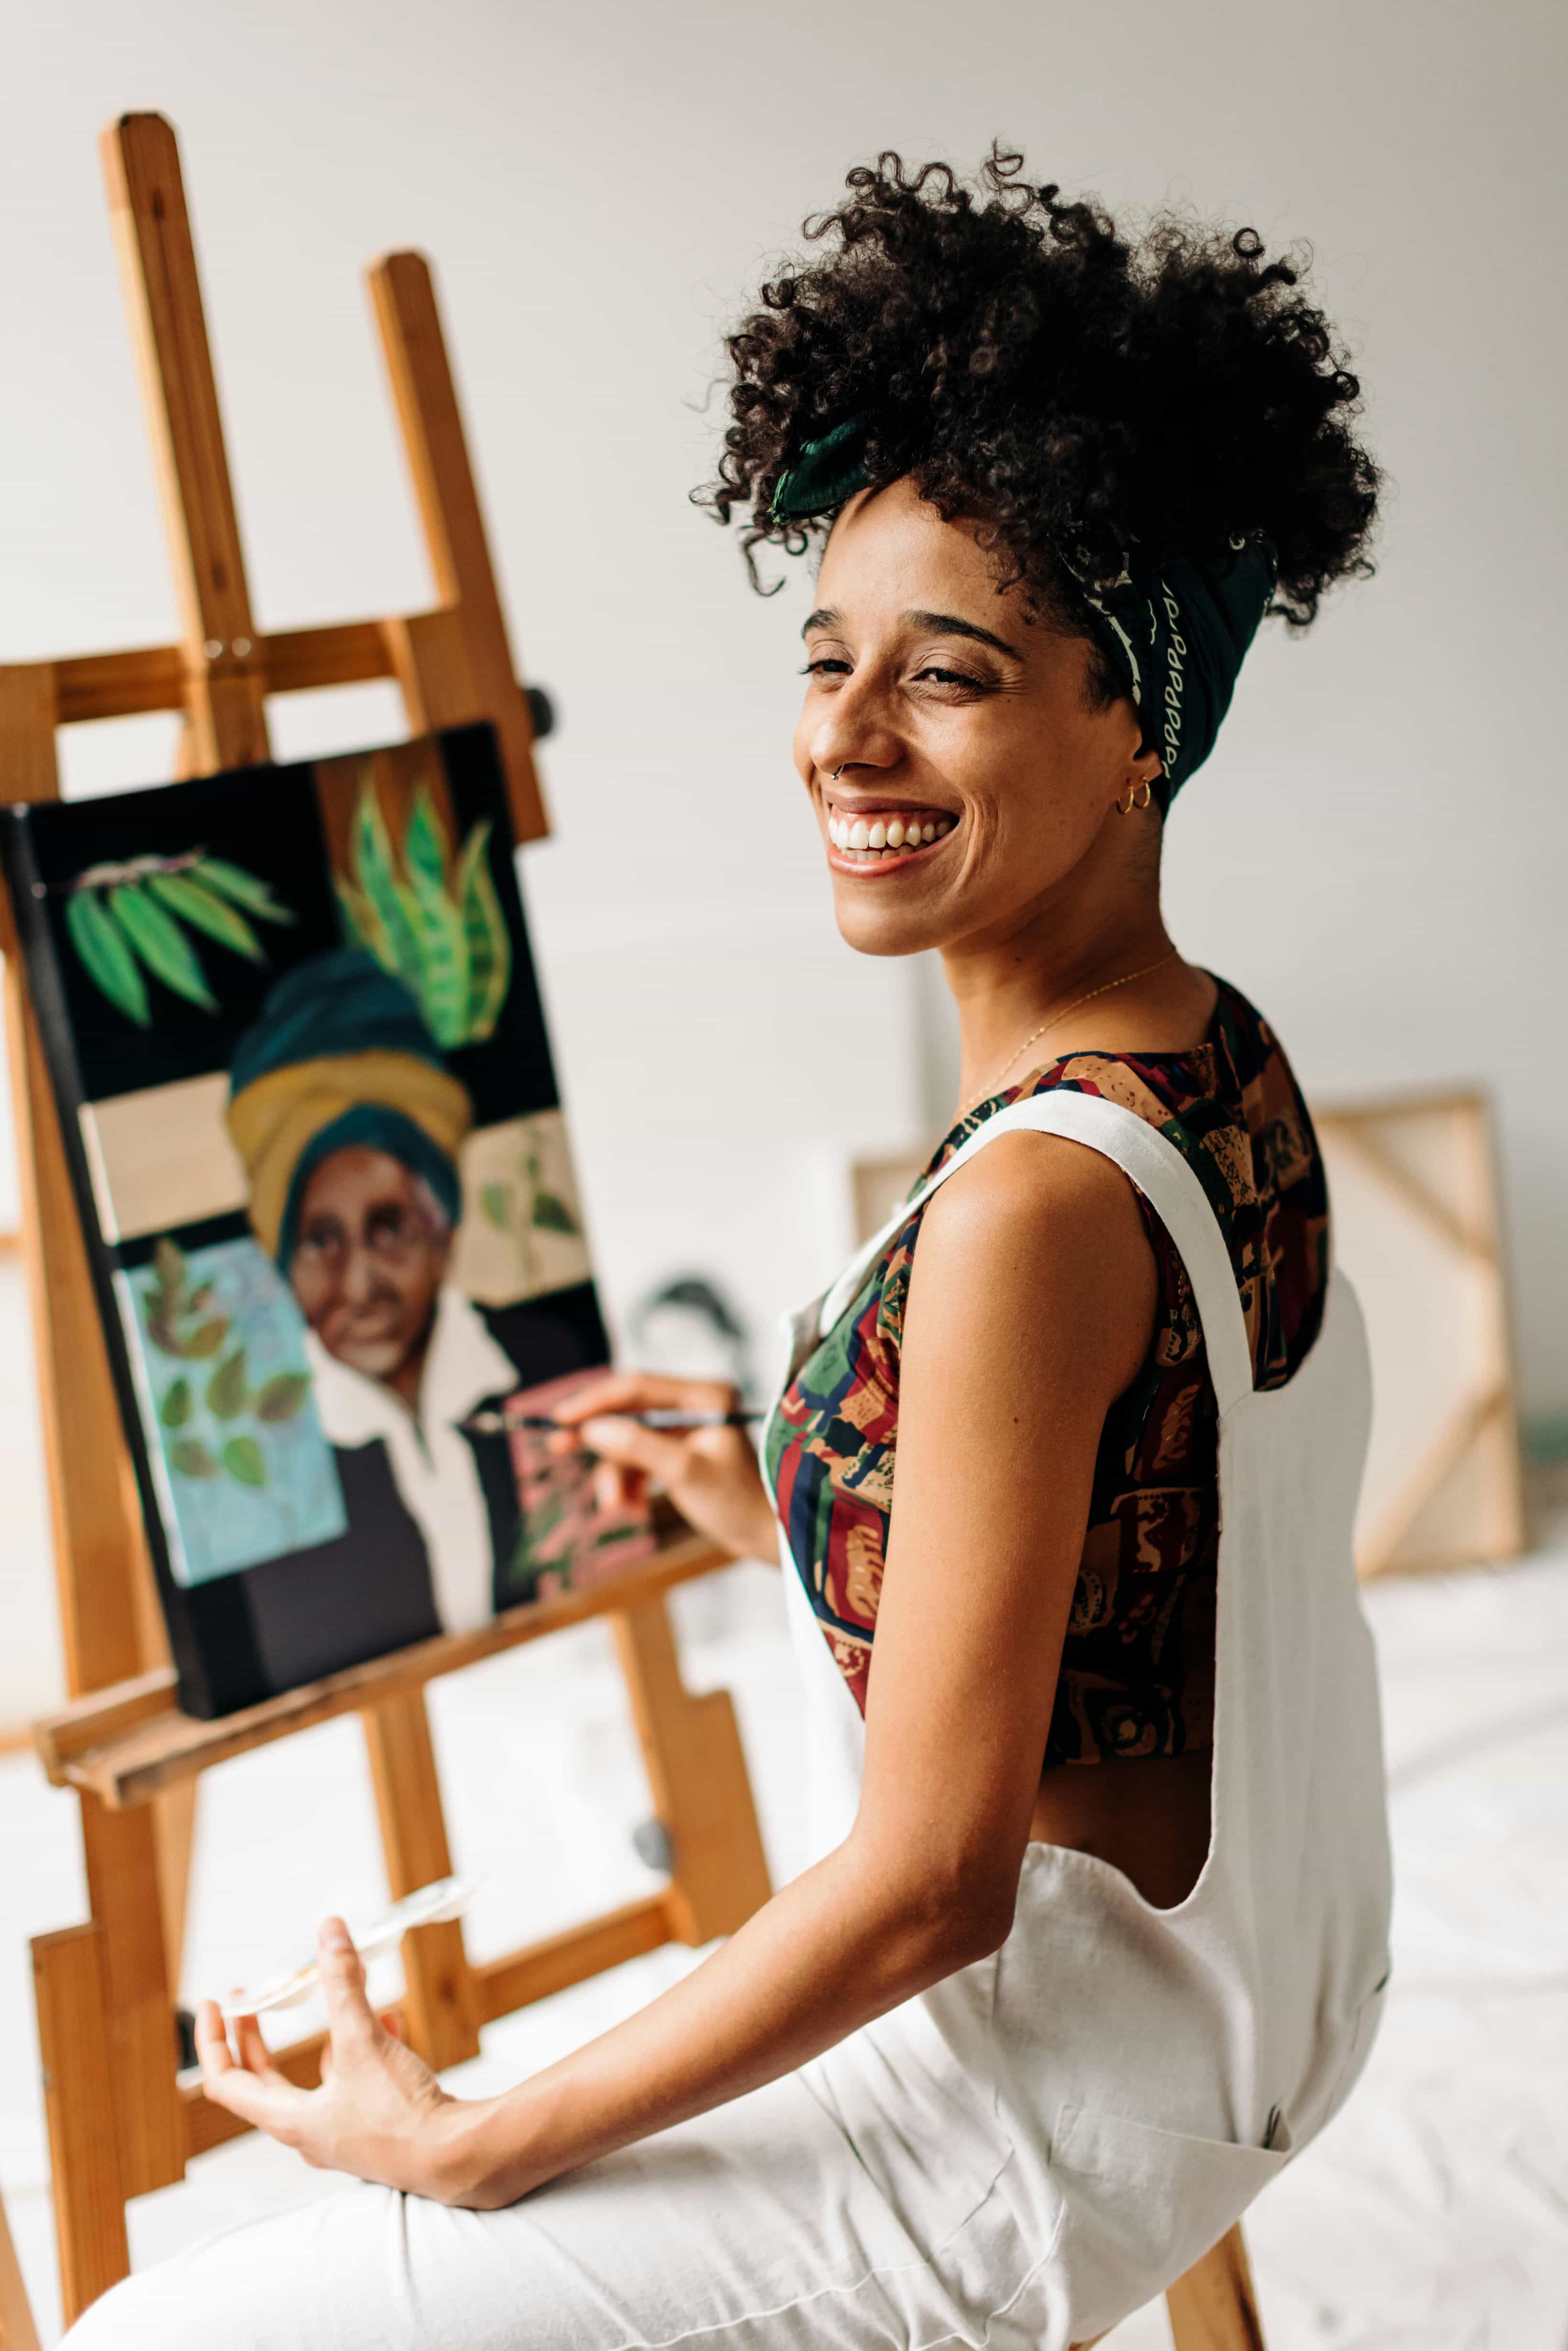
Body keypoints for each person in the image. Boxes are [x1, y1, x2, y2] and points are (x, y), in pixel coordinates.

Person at [72, 151, 1392, 2349]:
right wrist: (789, 1473)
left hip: (1021, 2116)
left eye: (949, 676)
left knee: (153, 2332)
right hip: (1243, 2027)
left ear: (1141, 719)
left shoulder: (1030, 1205)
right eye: (826, 655)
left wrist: (481, 2135)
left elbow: (933, 1890)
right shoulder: (1207, 1059)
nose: (845, 740)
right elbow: (1139, 1563)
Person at [226, 947, 601, 1659]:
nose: (359, 1283)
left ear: (444, 1234)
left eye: (389, 1228)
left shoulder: (545, 1361)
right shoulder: (259, 1453)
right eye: (318, 1242)